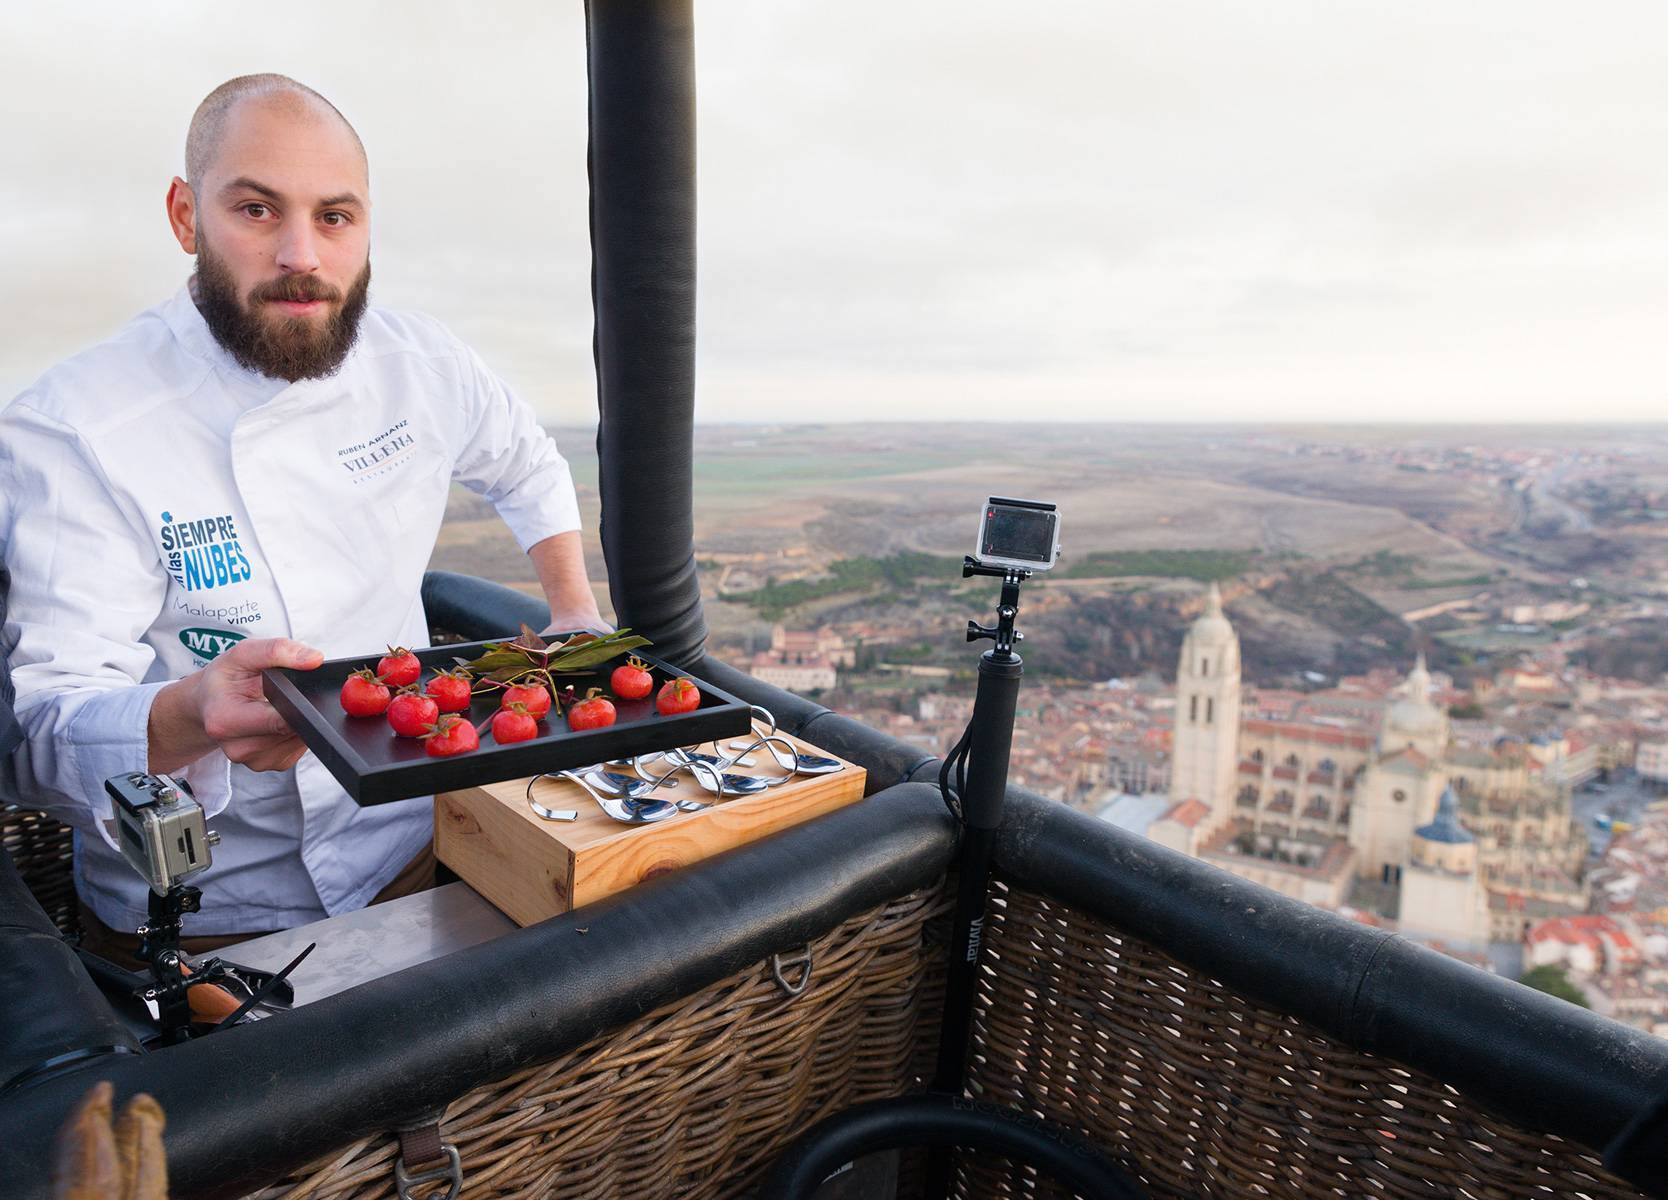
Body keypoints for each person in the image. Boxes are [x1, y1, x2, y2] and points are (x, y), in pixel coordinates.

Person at [0, 74, 606, 965]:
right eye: (255, 209)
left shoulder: (421, 360)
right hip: (203, 913)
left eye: (334, 217)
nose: (301, 255)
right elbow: (35, 736)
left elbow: (526, 464)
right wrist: (194, 713)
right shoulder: (76, 427)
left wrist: (573, 609)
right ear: (184, 216)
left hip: (409, 847)